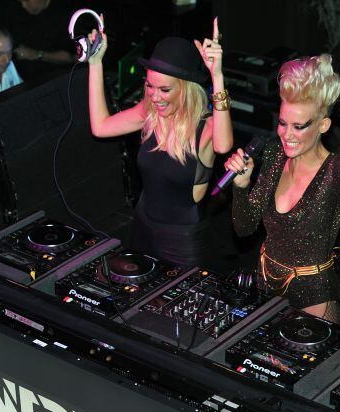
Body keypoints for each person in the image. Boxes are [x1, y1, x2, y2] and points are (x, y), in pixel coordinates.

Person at [225, 51, 340, 323]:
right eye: (283, 123)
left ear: (323, 125)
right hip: (265, 284)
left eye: (299, 126)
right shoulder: (274, 156)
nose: (287, 135)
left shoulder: (337, 172)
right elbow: (244, 228)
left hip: (313, 296)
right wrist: (241, 186)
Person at [88, 17, 233, 266]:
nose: (155, 97)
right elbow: (100, 128)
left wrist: (217, 76)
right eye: (150, 86)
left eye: (165, 90)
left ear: (186, 89)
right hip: (142, 227)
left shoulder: (206, 127)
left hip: (181, 242)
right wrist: (95, 63)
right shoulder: (150, 112)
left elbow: (223, 146)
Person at [6, 0, 76, 81]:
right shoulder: (16, 12)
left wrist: (37, 54)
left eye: (26, 1)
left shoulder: (65, 14)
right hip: (21, 81)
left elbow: (73, 57)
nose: (23, 5)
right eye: (21, 2)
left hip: (56, 80)